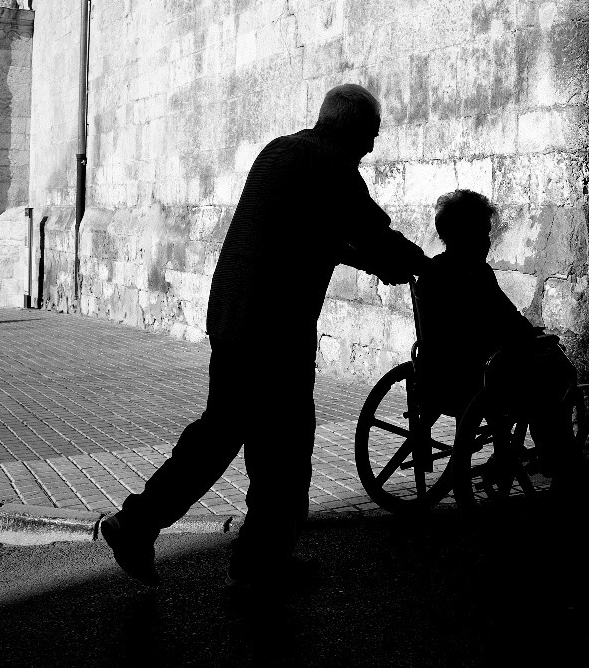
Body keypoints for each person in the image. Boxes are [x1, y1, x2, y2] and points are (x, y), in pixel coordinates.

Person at [100, 84, 427, 590]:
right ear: (354, 129)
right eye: (373, 135)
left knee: (232, 434)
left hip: (234, 315)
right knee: (284, 447)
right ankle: (243, 556)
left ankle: (178, 535)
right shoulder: (332, 166)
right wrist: (422, 265)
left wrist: (377, 258)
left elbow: (329, 237)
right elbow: (370, 234)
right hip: (274, 328)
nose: (373, 147)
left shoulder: (281, 150)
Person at [416, 190, 585, 479]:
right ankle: (557, 456)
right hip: (479, 373)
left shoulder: (432, 273)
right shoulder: (476, 274)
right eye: (484, 233)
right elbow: (507, 320)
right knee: (555, 372)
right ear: (466, 235)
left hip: (438, 372)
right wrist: (531, 335)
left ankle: (541, 451)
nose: (488, 241)